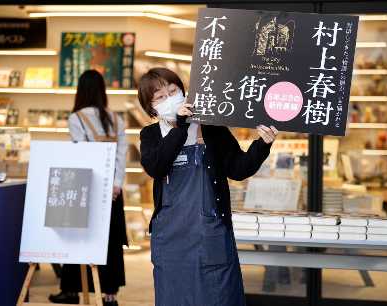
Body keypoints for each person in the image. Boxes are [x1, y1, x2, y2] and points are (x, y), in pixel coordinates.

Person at [138, 67, 278, 306]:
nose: (169, 99)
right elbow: (157, 167)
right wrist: (180, 127)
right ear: (151, 107)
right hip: (171, 239)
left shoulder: (211, 128)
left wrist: (261, 145)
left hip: (210, 233)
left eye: (173, 91)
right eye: (160, 97)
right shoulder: (150, 135)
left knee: (219, 296)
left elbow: (238, 169)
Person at [49, 70, 128, 306]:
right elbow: (121, 155)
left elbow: (82, 155)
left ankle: (72, 290)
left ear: (81, 91)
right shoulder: (117, 118)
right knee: (112, 241)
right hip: (114, 191)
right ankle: (110, 295)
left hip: (88, 188)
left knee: (78, 237)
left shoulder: (77, 118)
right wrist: (116, 185)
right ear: (102, 90)